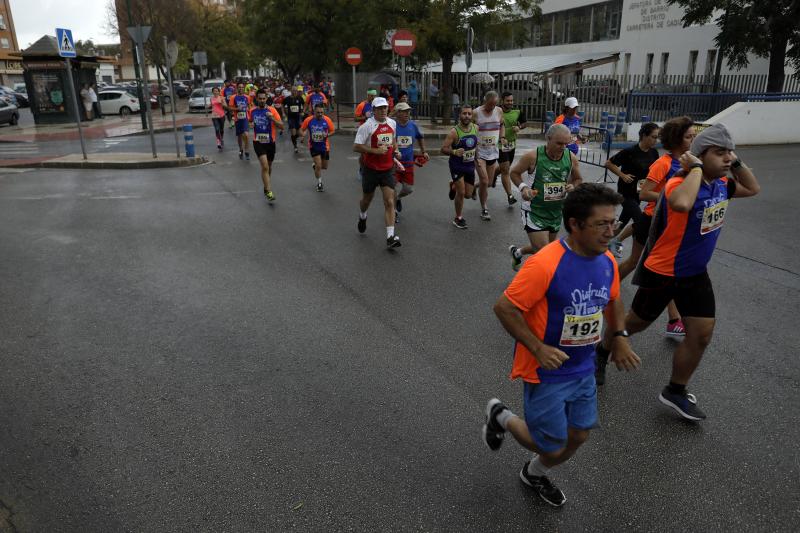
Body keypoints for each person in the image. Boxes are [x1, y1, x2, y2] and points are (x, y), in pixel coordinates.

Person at [484, 183, 640, 507]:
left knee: (580, 434)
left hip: (582, 367)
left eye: (614, 223)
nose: (611, 232)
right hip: (546, 370)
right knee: (550, 443)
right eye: (602, 224)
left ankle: (533, 473)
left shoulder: (607, 260)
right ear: (574, 224)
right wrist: (537, 347)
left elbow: (612, 300)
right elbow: (505, 307)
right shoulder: (544, 263)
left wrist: (620, 338)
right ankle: (502, 416)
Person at [598, 124, 760, 421]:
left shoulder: (722, 184)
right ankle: (602, 349)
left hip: (695, 273)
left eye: (730, 153)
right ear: (699, 156)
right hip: (664, 271)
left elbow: (752, 188)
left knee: (701, 334)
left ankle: (675, 390)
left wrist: (734, 161)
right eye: (720, 153)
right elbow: (683, 203)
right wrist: (696, 168)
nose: (727, 159)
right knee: (635, 324)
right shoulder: (679, 181)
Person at [615, 116, 695, 344]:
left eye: (693, 136)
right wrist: (670, 195)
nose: (693, 140)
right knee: (638, 263)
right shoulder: (664, 163)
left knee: (661, 269)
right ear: (678, 139)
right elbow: (643, 193)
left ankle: (674, 320)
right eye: (689, 136)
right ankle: (673, 320)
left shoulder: (692, 163)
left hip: (675, 224)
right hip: (653, 222)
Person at [508, 123, 583, 271]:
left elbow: (578, 179)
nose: (563, 147)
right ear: (548, 139)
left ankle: (518, 252)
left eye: (566, 144)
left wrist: (573, 186)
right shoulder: (533, 156)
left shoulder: (571, 157)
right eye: (559, 143)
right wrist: (524, 188)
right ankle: (533, 286)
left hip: (555, 212)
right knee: (545, 254)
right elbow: (514, 173)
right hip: (534, 211)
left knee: (545, 249)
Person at [353, 97, 405, 248]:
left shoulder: (392, 123)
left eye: (385, 108)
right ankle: (363, 216)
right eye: (380, 108)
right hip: (370, 169)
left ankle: (390, 236)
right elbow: (356, 147)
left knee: (389, 201)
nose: (383, 111)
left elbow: (392, 140)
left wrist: (396, 150)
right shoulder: (367, 126)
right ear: (373, 110)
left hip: (387, 169)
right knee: (366, 200)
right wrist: (374, 151)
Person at [604, 123, 660, 257]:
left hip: (639, 194)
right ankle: (615, 243)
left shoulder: (654, 153)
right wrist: (622, 175)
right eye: (653, 137)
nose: (656, 140)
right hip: (625, 193)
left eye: (657, 137)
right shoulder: (630, 152)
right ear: (644, 136)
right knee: (640, 221)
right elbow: (608, 163)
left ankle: (603, 241)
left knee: (622, 222)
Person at [441, 104, 479, 229]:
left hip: (469, 166)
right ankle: (458, 218)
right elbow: (443, 149)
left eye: (469, 113)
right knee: (461, 193)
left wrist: (477, 158)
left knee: (468, 194)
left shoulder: (476, 128)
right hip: (457, 165)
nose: (467, 116)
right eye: (464, 113)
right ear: (460, 115)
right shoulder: (454, 132)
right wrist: (454, 152)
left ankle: (453, 186)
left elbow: (475, 145)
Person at [392, 102, 429, 219]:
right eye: (404, 111)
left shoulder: (413, 125)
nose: (407, 113)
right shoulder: (392, 125)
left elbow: (420, 137)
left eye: (408, 111)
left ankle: (398, 198)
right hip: (394, 163)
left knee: (408, 189)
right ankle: (393, 212)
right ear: (397, 113)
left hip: (408, 163)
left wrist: (424, 152)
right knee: (392, 187)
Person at [473, 91, 506, 222]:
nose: (492, 107)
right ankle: (484, 209)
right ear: (484, 101)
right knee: (485, 181)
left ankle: (475, 187)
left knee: (489, 182)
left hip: (493, 151)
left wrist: (502, 137)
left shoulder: (499, 111)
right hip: (479, 152)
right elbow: (470, 129)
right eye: (490, 104)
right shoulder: (476, 112)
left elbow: (502, 124)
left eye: (494, 104)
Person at [250, 89, 284, 202]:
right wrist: (250, 124)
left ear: (266, 99)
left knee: (269, 166)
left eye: (264, 98)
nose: (262, 100)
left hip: (270, 142)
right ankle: (269, 191)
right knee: (264, 166)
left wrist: (272, 118)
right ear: (256, 99)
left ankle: (266, 186)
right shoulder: (252, 111)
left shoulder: (272, 110)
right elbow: (250, 122)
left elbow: (282, 126)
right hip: (258, 142)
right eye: (260, 98)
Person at [495, 91, 527, 206]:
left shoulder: (517, 112)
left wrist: (519, 127)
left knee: (504, 167)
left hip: (512, 145)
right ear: (502, 101)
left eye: (511, 100)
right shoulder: (496, 111)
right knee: (506, 169)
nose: (510, 103)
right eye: (508, 101)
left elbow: (524, 123)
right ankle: (510, 195)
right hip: (499, 144)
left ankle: (493, 175)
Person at [300, 103, 335, 192]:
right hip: (313, 146)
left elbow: (332, 131)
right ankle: (319, 183)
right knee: (319, 166)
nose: (320, 114)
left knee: (324, 167)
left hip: (325, 147)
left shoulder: (327, 120)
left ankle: (315, 166)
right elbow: (301, 129)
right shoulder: (308, 120)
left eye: (321, 112)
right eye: (318, 112)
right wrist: (302, 134)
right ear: (314, 111)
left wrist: (327, 134)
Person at [229, 83, 253, 160]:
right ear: (237, 88)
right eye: (239, 87)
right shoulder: (233, 97)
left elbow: (249, 107)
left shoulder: (247, 97)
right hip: (237, 119)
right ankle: (241, 149)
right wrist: (237, 109)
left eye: (242, 87)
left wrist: (251, 117)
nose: (241, 89)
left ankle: (247, 150)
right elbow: (230, 108)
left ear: (244, 88)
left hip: (245, 118)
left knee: (246, 135)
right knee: (239, 135)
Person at [283, 86, 305, 154]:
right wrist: (283, 113)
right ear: (291, 91)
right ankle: (295, 147)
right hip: (290, 118)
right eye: (293, 90)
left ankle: (294, 138)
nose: (294, 92)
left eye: (295, 90)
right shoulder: (287, 98)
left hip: (298, 118)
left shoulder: (300, 98)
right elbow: (282, 104)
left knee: (301, 134)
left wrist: (302, 112)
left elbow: (304, 105)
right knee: (293, 132)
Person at [210, 86, 229, 151]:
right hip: (214, 116)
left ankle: (221, 139)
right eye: (214, 91)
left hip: (221, 115)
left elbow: (226, 106)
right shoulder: (211, 98)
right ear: (212, 92)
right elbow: (211, 105)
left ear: (219, 92)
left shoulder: (222, 98)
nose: (215, 92)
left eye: (217, 91)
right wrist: (208, 106)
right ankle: (218, 142)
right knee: (217, 129)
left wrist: (222, 103)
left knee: (221, 129)